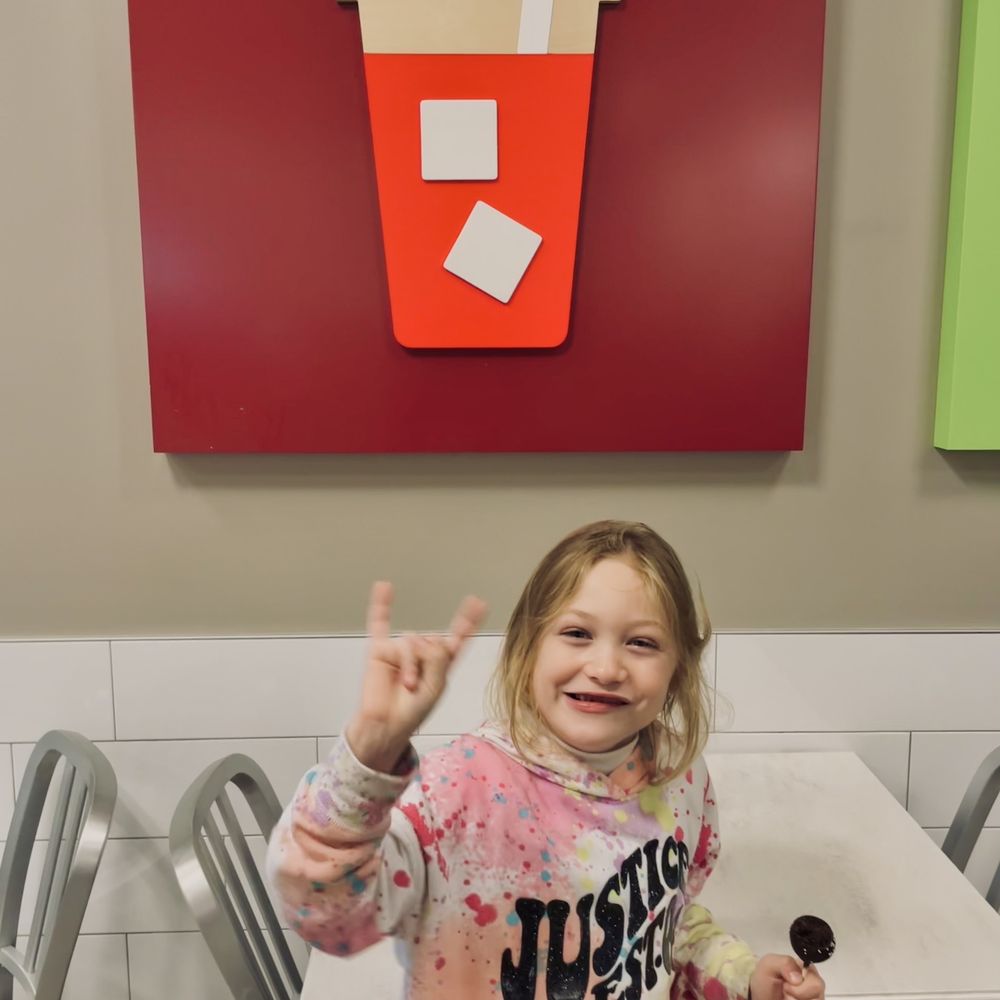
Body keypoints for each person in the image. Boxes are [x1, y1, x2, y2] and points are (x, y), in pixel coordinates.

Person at [266, 520, 826, 1000]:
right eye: (577, 633)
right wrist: (369, 756)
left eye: (641, 643)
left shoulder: (680, 777)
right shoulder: (457, 794)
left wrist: (742, 976)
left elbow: (662, 927)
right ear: (528, 649)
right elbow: (327, 914)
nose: (606, 668)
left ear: (678, 667)